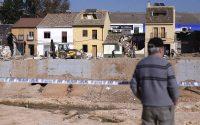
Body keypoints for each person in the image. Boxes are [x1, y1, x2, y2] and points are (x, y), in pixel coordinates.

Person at [130, 38, 179, 125]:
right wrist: (175, 100)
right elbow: (173, 86)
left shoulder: (140, 64)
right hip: (165, 106)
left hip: (148, 106)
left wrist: (142, 98)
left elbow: (133, 85)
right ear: (161, 49)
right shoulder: (166, 65)